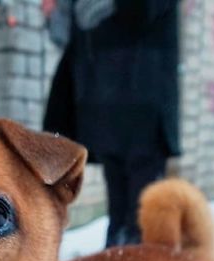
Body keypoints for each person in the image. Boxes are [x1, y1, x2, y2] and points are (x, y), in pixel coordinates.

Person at [42, 0, 181, 247]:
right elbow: (67, 39)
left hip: (143, 107)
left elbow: (145, 11)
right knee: (119, 213)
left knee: (140, 215)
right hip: (102, 108)